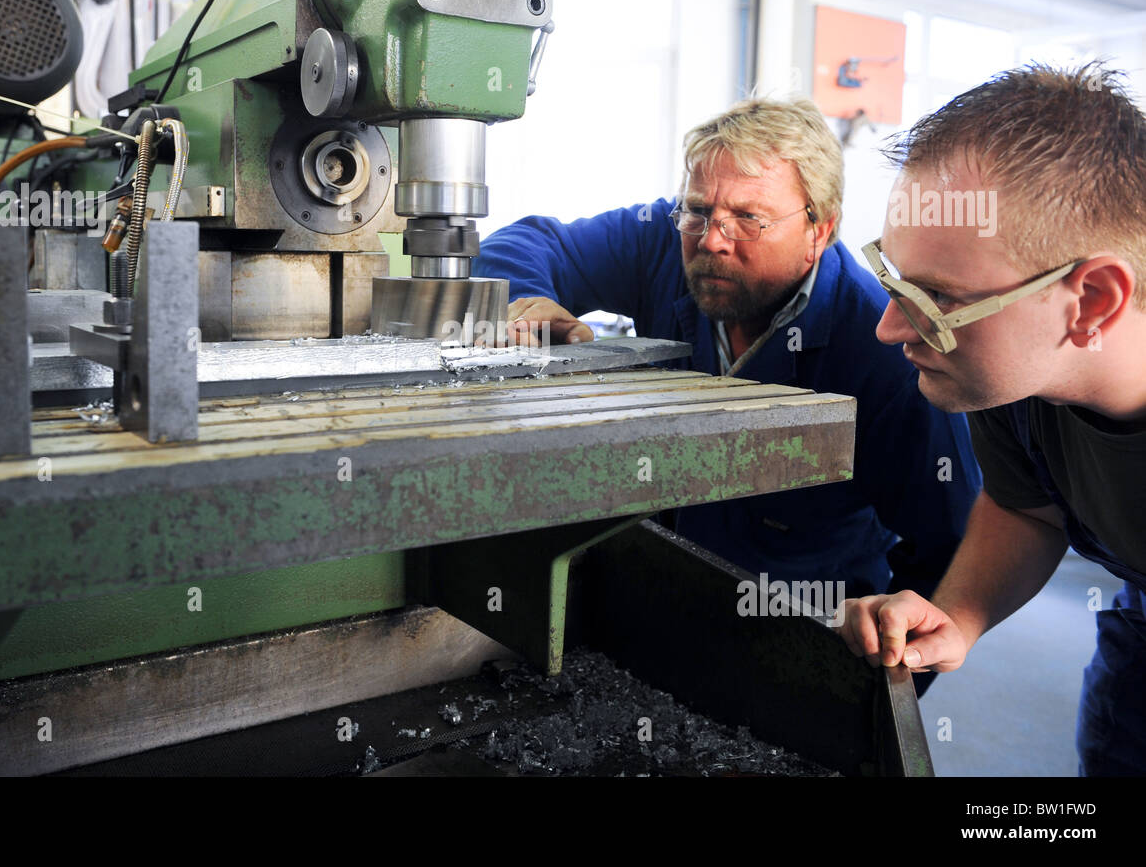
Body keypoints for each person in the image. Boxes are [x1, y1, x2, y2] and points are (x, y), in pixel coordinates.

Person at [474, 98, 981, 640]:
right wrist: (528, 302)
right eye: (699, 210)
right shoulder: (663, 243)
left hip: (790, 630)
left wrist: (874, 680)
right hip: (647, 592)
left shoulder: (884, 358)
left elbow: (951, 546)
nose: (712, 239)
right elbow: (527, 242)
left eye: (748, 219)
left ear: (820, 229)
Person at [835, 63, 1146, 775]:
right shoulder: (1015, 376)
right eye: (894, 280)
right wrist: (962, 614)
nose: (889, 328)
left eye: (938, 297)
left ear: (1092, 300)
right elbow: (1027, 506)